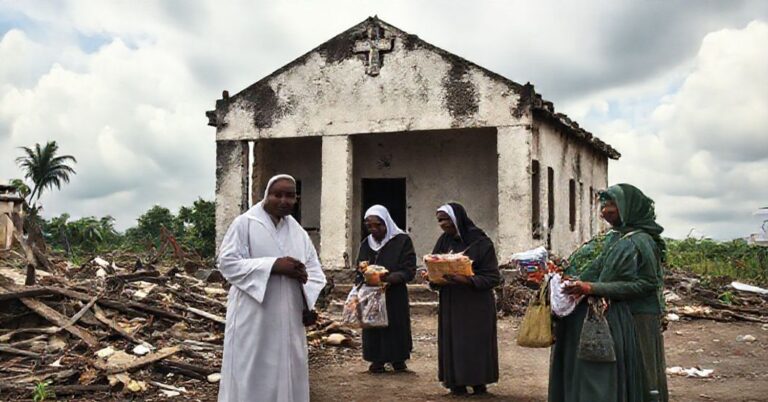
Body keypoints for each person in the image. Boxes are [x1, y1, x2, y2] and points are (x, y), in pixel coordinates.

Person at [549, 183, 667, 402]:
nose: (605, 211)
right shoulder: (614, 239)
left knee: (642, 372)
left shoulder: (642, 242)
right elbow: (595, 270)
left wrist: (593, 288)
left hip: (638, 316)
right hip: (619, 315)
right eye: (603, 206)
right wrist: (566, 278)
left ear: (629, 206)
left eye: (611, 205)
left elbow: (647, 284)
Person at [217, 174, 327, 402]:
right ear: (266, 195)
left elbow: (314, 272)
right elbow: (227, 263)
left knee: (288, 367)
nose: (284, 200)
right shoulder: (245, 224)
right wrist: (273, 265)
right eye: (278, 195)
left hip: (289, 317)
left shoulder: (298, 232)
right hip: (254, 316)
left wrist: (307, 306)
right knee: (251, 368)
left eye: (290, 196)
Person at [429, 202, 500, 396]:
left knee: (475, 342)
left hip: (476, 304)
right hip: (452, 302)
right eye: (440, 220)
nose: (442, 224)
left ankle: (479, 383)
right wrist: (432, 276)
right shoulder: (444, 241)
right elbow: (435, 265)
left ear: (458, 219)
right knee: (454, 342)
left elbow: (493, 277)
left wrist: (467, 279)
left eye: (446, 219)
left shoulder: (481, 242)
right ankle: (456, 382)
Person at [355, 205, 417, 373]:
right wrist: (364, 276)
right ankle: (377, 359)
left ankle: (398, 358)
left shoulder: (402, 241)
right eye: (369, 226)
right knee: (374, 325)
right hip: (372, 292)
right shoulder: (366, 243)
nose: (374, 229)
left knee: (396, 324)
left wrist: (389, 279)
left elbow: (409, 269)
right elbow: (360, 266)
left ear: (387, 223)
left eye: (378, 225)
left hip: (394, 293)